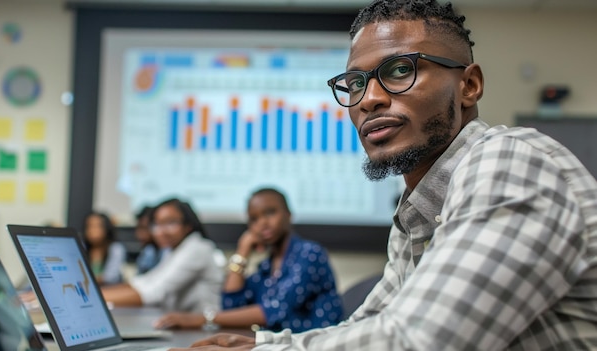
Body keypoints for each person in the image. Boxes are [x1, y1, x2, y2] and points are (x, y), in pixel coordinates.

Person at [170, 0, 597, 350]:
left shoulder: (510, 162)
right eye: (356, 83)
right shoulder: (420, 212)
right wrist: (258, 346)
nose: (369, 99)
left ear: (469, 86)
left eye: (399, 70)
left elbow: (419, 342)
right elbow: (375, 325)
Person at [154, 188, 343, 332]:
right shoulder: (267, 267)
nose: (262, 223)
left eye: (270, 212)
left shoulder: (309, 254)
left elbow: (274, 311)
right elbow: (231, 304)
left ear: (288, 215)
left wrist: (202, 319)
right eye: (254, 219)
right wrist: (242, 251)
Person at [101, 198, 225, 313]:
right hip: (182, 326)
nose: (161, 231)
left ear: (188, 226)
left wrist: (97, 299)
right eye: (156, 225)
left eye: (170, 223)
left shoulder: (197, 249)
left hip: (202, 328)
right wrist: (97, 295)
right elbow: (144, 282)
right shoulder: (173, 249)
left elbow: (153, 293)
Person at [82, 211, 126, 285]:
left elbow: (110, 277)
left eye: (96, 226)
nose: (92, 230)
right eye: (89, 226)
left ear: (106, 228)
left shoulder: (116, 249)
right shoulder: (83, 247)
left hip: (110, 291)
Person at [133, 205, 160, 274]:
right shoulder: (147, 251)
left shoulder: (166, 252)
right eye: (138, 228)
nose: (138, 234)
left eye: (144, 228)